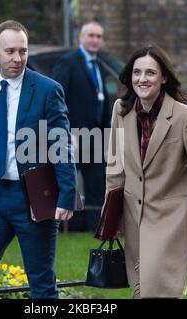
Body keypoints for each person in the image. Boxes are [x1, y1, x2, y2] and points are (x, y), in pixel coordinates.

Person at [0, 20, 78, 299]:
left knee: (42, 283)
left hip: (34, 198)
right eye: (10, 51)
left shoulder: (47, 89)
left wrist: (67, 194)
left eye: (23, 51)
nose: (17, 58)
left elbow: (61, 144)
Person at [105, 44, 187, 299]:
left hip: (169, 220)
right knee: (143, 289)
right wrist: (111, 216)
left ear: (164, 77)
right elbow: (115, 167)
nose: (142, 79)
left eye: (150, 73)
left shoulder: (185, 118)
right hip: (133, 217)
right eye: (137, 72)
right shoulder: (121, 111)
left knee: (156, 290)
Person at [52, 21, 111, 231]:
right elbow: (56, 99)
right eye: (91, 35)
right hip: (73, 137)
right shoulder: (67, 63)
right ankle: (54, 227)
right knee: (63, 183)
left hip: (95, 137)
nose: (95, 40)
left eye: (98, 36)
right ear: (81, 38)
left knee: (97, 186)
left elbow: (102, 101)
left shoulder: (99, 66)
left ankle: (97, 231)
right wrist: (66, 133)